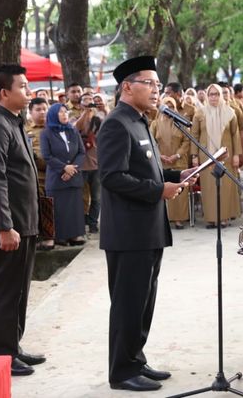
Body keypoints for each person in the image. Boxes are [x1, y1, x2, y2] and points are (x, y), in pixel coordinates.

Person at [98, 56, 196, 391]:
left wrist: (174, 175)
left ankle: (135, 359)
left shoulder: (139, 121)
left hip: (148, 229)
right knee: (128, 302)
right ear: (127, 87)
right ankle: (122, 371)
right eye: (149, 84)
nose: (156, 90)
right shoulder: (116, 123)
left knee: (143, 300)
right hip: (128, 232)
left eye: (157, 84)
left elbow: (143, 170)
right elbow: (112, 177)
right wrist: (159, 190)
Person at [0, 64, 45, 376]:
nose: (29, 92)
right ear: (5, 92)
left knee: (19, 290)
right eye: (23, 87)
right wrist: (5, 226)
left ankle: (13, 346)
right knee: (4, 291)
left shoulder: (14, 122)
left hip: (24, 223)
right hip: (8, 226)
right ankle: (2, 354)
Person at [191, 84, 243, 228]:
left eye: (216, 94)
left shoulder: (230, 112)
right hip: (206, 155)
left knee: (225, 187)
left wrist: (237, 155)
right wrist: (194, 155)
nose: (213, 97)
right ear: (207, 96)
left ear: (221, 95)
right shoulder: (199, 113)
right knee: (209, 188)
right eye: (211, 94)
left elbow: (235, 134)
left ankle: (224, 218)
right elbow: (194, 135)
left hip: (225, 154)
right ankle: (211, 219)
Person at [41, 103, 87, 246]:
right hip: (56, 177)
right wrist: (63, 168)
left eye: (66, 112)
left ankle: (74, 235)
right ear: (54, 114)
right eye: (61, 112)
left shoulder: (73, 131)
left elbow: (81, 152)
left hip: (73, 176)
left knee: (74, 207)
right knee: (59, 208)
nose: (65, 114)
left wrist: (72, 169)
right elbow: (47, 156)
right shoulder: (46, 133)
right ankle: (59, 237)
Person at [150, 97, 191, 229]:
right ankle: (166, 220)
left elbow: (187, 141)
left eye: (171, 106)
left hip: (179, 161)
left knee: (179, 192)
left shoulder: (180, 123)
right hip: (161, 163)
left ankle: (180, 219)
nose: (168, 109)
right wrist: (160, 156)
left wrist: (177, 155)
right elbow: (151, 142)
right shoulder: (155, 124)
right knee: (164, 191)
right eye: (165, 106)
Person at [26, 97, 53, 250]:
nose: (42, 112)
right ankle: (42, 236)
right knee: (39, 206)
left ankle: (53, 237)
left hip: (54, 171)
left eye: (45, 108)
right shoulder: (25, 129)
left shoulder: (55, 128)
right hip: (35, 175)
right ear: (30, 112)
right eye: (38, 109)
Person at [74, 91, 102, 235]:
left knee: (97, 197)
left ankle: (92, 223)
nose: (89, 101)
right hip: (81, 164)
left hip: (96, 165)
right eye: (85, 99)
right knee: (80, 196)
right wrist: (85, 112)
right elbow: (75, 129)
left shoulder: (98, 119)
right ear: (80, 104)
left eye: (91, 99)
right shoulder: (75, 118)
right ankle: (81, 221)